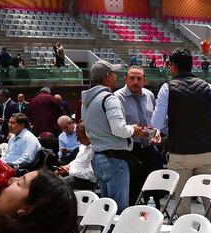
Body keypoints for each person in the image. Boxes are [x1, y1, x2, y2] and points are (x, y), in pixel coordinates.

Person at [151, 49, 211, 233]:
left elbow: (156, 122)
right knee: (209, 198)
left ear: (173, 66)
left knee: (182, 201)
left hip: (180, 153)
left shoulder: (167, 88)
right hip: (205, 152)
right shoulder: (207, 87)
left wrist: (172, 121)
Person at [83, 60, 145, 214]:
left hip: (98, 156)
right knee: (118, 211)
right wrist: (133, 129)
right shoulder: (109, 98)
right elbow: (119, 129)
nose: (116, 77)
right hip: (114, 158)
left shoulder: (87, 101)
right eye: (113, 74)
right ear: (107, 76)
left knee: (106, 210)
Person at [116, 65, 159, 204]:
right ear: (125, 79)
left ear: (144, 80)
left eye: (139, 78)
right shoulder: (117, 98)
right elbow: (118, 126)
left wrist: (155, 133)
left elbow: (151, 121)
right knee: (133, 190)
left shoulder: (149, 95)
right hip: (130, 150)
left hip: (149, 147)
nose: (135, 82)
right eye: (132, 78)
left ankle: (153, 218)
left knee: (153, 189)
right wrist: (133, 130)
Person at [56, 122, 96, 191]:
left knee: (58, 186)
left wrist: (70, 171)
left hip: (85, 181)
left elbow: (91, 175)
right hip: (73, 174)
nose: (77, 140)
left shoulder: (95, 151)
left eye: (79, 137)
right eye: (76, 136)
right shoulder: (83, 146)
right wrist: (68, 166)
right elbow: (77, 160)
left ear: (88, 136)